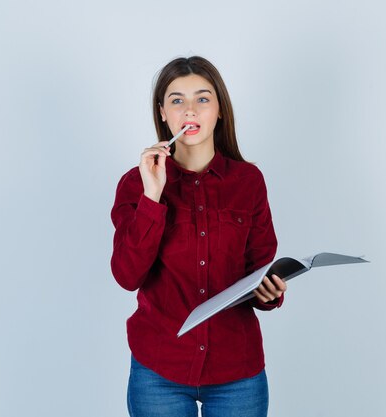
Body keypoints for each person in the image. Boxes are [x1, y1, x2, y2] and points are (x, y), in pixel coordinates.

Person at [110, 56, 287, 417]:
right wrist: (152, 196)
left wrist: (269, 294)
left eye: (202, 99)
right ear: (162, 113)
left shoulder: (248, 182)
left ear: (220, 110)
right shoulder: (136, 184)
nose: (190, 109)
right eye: (177, 100)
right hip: (159, 368)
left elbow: (260, 266)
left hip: (237, 370)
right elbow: (128, 276)